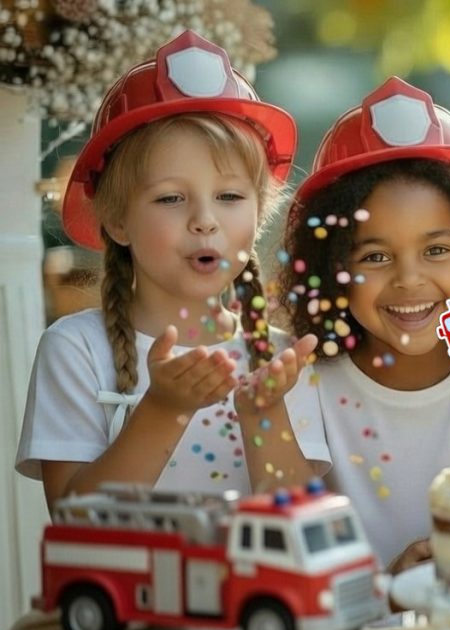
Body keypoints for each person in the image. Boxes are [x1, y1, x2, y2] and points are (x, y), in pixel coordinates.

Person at [16, 31, 329, 511]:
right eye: (170, 198)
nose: (205, 219)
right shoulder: (76, 350)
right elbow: (73, 519)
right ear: (117, 220)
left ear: (258, 215)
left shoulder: (282, 362)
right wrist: (164, 409)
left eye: (229, 197)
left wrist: (262, 411)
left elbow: (301, 523)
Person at [279, 78, 450, 573]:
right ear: (332, 267)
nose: (409, 279)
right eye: (376, 255)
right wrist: (388, 587)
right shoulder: (303, 385)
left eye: (436, 250)